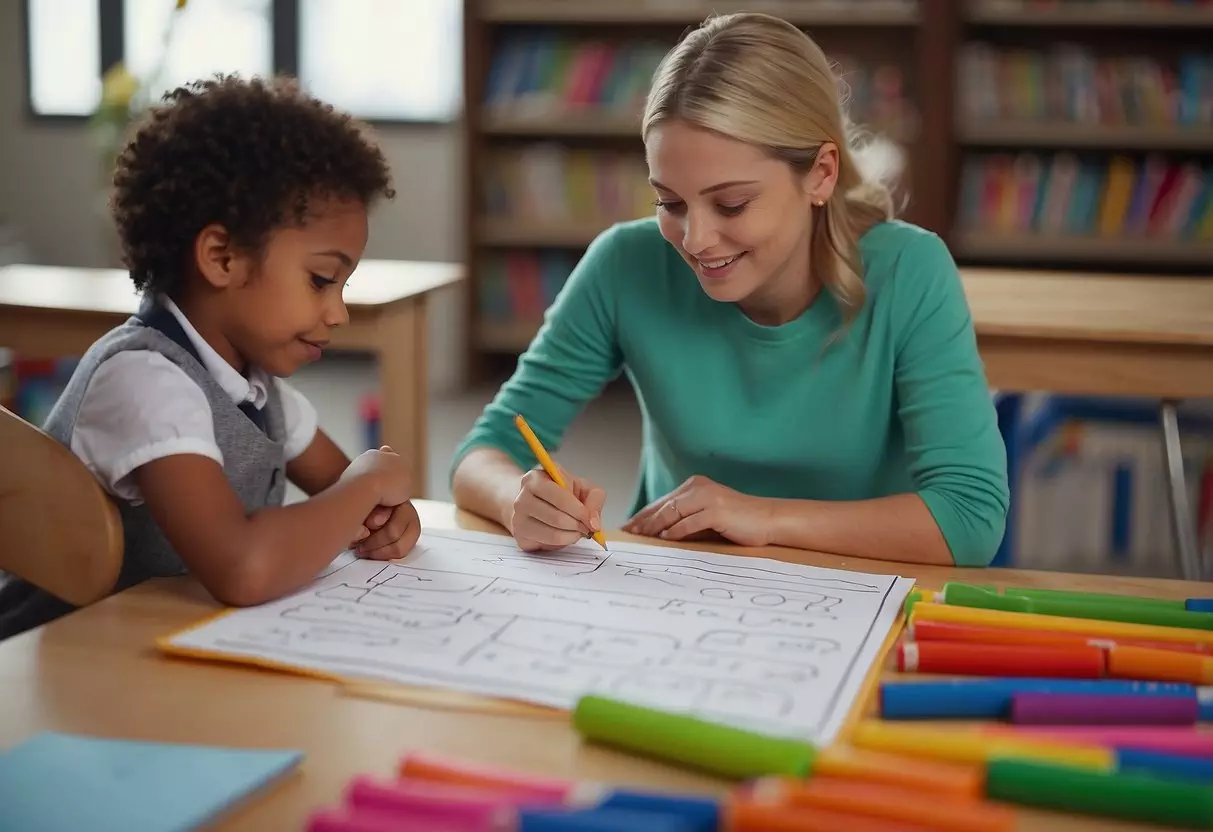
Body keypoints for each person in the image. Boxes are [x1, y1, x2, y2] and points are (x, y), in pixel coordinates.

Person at [450, 12, 1009, 567]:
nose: (695, 239)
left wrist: (763, 518)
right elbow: (484, 451)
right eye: (669, 202)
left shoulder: (910, 270)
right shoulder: (625, 263)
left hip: (856, 596)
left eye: (731, 203)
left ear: (821, 174)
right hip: (677, 591)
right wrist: (515, 497)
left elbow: (970, 516)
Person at [0, 75, 421, 640]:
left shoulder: (259, 393)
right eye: (321, 279)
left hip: (160, 651)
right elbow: (242, 566)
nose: (338, 313)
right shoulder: (146, 381)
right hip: (66, 661)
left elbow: (351, 500)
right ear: (221, 257)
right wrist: (368, 488)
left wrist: (388, 518)